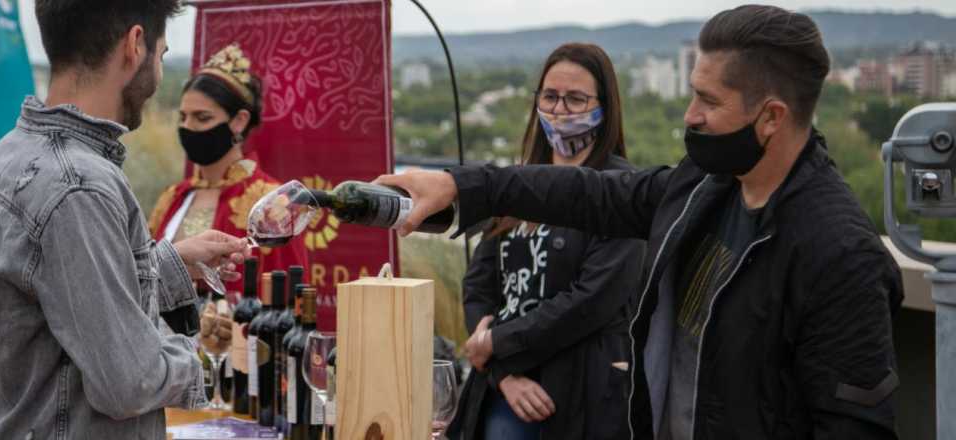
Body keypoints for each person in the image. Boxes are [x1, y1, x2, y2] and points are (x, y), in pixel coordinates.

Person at [379, 5, 904, 439]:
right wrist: (463, 187)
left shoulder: (839, 254)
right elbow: (593, 194)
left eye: (708, 100)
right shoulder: (707, 185)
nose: (689, 115)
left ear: (771, 117)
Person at [0, 1, 247, 438]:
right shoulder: (81, 186)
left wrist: (170, 267)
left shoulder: (2, 160)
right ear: (134, 45)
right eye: (161, 56)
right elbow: (128, 383)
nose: (159, 76)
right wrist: (201, 360)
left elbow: (61, 306)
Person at [448, 43, 644, 440]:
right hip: (504, 384)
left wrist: (498, 342)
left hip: (580, 391)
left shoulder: (623, 191)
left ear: (605, 107)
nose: (559, 110)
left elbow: (592, 301)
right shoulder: (520, 186)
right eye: (550, 96)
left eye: (576, 99)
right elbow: (479, 285)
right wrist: (503, 373)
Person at [149, 44, 309, 290]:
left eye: (202, 118)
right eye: (183, 117)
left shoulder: (272, 202)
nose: (188, 127)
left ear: (239, 121)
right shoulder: (172, 197)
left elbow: (289, 291)